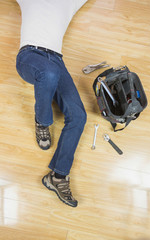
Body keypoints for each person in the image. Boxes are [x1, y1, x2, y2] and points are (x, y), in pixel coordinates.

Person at [16, 0, 88, 207]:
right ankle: (42, 122)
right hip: (30, 56)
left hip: (57, 61)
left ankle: (57, 177)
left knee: (79, 116)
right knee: (48, 73)